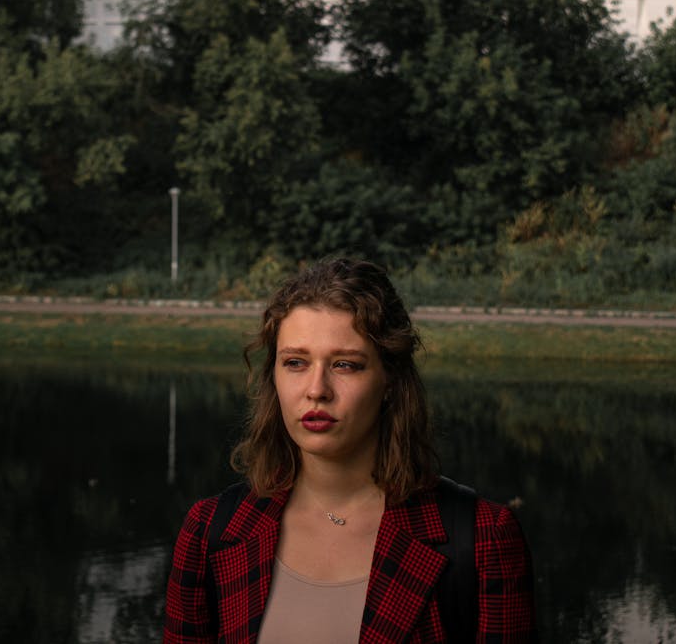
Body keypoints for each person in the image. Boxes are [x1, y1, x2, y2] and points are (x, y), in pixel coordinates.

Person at [163, 257, 538, 643]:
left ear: (390, 380)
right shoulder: (211, 530)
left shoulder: (482, 539)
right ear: (272, 375)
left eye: (345, 364)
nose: (316, 389)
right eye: (295, 362)